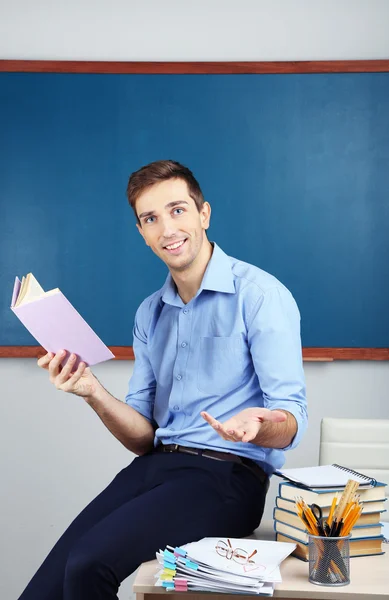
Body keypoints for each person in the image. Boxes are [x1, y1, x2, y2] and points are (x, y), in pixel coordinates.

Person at [19, 160, 307, 600]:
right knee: (46, 586)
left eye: (177, 210)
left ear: (203, 214)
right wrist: (92, 392)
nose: (167, 229)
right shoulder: (149, 313)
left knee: (88, 564)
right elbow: (142, 437)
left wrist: (260, 427)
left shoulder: (261, 296)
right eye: (151, 218)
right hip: (157, 466)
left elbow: (293, 418)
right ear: (141, 231)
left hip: (226, 477)